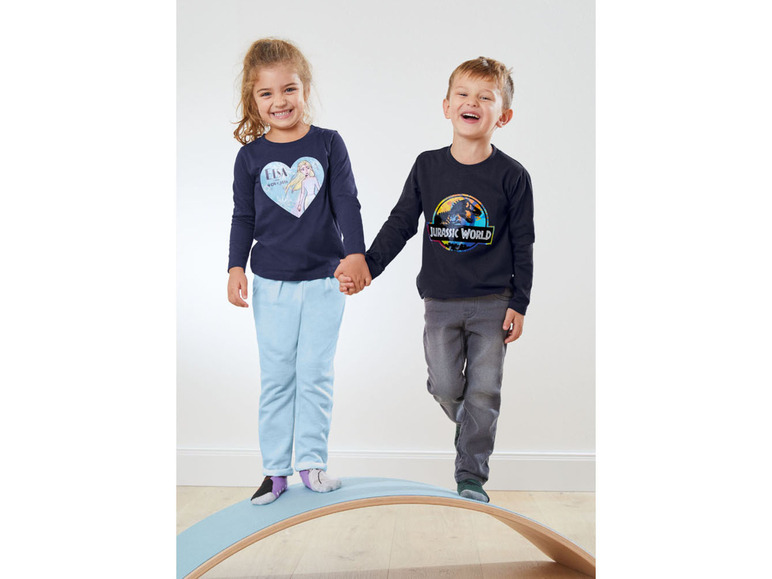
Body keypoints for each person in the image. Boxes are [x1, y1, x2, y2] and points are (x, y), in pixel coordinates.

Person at [336, 57, 534, 503]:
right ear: (446, 106)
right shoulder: (428, 167)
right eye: (463, 94)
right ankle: (470, 423)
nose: (472, 103)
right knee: (447, 386)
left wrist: (519, 302)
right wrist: (369, 265)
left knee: (485, 391)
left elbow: (524, 243)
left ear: (503, 116)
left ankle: (471, 477)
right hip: (440, 302)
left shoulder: (513, 176)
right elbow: (401, 223)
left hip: (494, 302)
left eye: (485, 97)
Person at [227, 38, 371, 505]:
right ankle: (274, 471)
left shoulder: (328, 144)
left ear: (305, 88)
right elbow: (243, 217)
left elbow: (346, 201)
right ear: (253, 99)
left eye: (289, 88)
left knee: (314, 374)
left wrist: (356, 254)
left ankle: (311, 463)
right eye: (266, 93)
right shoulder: (250, 158)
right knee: (277, 378)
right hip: (271, 285)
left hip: (325, 283)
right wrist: (235, 266)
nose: (280, 101)